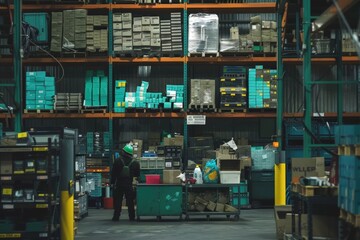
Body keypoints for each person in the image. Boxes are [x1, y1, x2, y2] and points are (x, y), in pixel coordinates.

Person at [111, 142, 140, 221]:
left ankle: (116, 216)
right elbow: (137, 174)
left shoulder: (117, 161)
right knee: (130, 201)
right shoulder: (135, 162)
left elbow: (113, 173)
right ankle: (132, 217)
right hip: (129, 184)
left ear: (124, 152)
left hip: (119, 183)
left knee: (118, 201)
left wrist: (112, 183)